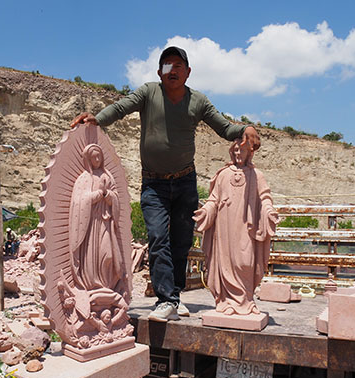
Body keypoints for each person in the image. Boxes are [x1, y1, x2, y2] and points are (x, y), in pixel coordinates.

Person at [71, 46, 254, 321]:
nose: (173, 70)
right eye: (167, 65)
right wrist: (97, 119)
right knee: (158, 238)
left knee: (181, 242)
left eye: (179, 65)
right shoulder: (148, 93)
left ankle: (175, 294)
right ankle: (165, 299)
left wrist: (245, 130)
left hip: (185, 181)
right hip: (153, 184)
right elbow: (121, 107)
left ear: (188, 72)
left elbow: (224, 128)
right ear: (159, 72)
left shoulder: (198, 101)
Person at [193, 128, 278, 315]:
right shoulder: (223, 174)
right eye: (236, 150)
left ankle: (246, 301)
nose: (239, 153)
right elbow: (213, 199)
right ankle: (227, 302)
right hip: (224, 227)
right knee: (225, 262)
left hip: (246, 227)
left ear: (250, 152)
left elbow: (265, 197)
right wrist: (206, 211)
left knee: (245, 262)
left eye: (243, 150)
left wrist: (269, 211)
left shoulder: (257, 175)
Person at [69, 144, 124, 291]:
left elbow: (115, 198)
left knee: (108, 256)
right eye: (94, 157)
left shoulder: (107, 176)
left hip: (105, 222)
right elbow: (78, 202)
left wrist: (107, 195)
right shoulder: (84, 179)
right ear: (88, 159)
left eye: (100, 156)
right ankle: (92, 285)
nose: (98, 159)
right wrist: (98, 194)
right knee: (91, 258)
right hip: (89, 225)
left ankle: (107, 285)